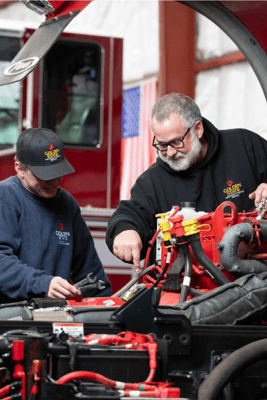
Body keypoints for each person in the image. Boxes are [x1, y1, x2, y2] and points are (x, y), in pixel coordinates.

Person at [106, 93, 267, 271]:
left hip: (256, 276)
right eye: (162, 145)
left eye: (176, 142)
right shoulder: (152, 181)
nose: (170, 153)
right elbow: (129, 214)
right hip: (192, 285)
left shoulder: (246, 146)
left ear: (198, 129)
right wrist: (125, 231)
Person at [0, 127, 111, 303]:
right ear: (19, 168)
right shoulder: (5, 198)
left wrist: (105, 307)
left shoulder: (67, 203)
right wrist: (43, 283)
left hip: (54, 315)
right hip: (10, 318)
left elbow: (89, 269)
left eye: (57, 172)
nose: (54, 181)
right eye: (45, 175)